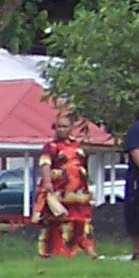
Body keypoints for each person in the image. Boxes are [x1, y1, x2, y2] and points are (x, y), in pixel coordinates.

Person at [32, 107, 95, 257]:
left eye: (65, 126)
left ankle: (89, 251)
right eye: (59, 126)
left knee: (82, 221)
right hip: (58, 190)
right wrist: (48, 183)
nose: (61, 129)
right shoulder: (50, 146)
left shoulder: (77, 146)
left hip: (78, 192)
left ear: (71, 128)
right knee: (57, 221)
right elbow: (45, 163)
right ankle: (55, 252)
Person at [123, 103, 139, 262]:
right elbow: (136, 153)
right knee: (136, 215)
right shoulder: (137, 129)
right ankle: (138, 251)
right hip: (138, 182)